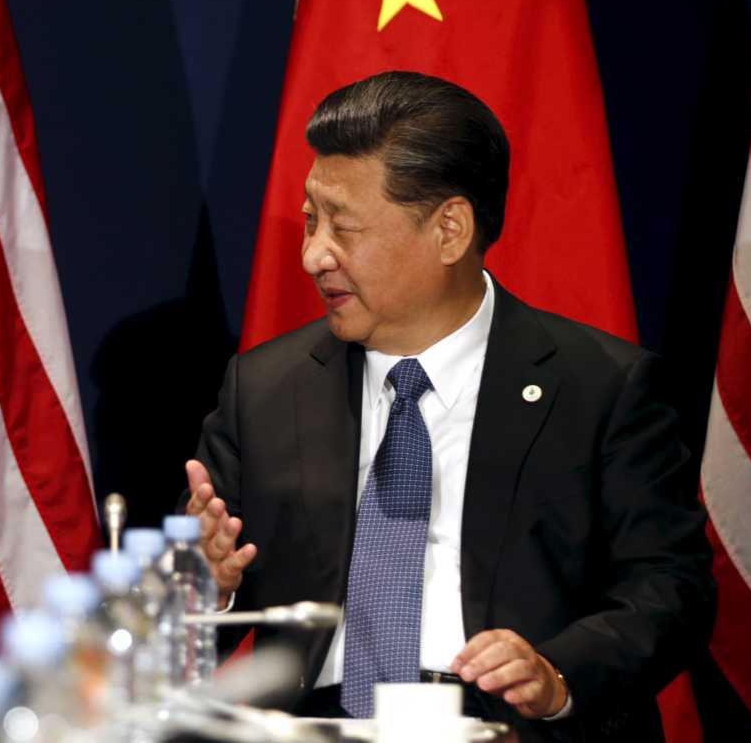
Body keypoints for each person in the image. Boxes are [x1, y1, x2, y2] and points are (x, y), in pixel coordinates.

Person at [183, 72, 713, 740]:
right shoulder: (263, 389)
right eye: (312, 220)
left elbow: (670, 591)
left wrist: (554, 674)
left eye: (343, 227)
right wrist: (208, 582)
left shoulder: (602, 387)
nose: (313, 254)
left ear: (450, 230)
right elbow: (196, 577)